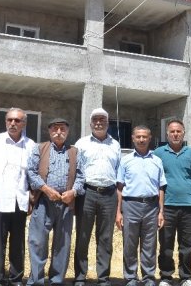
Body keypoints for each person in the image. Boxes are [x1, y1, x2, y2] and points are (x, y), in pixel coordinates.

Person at [0, 108, 35, 286]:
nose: (13, 123)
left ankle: (16, 279)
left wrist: (32, 199)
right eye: (10, 120)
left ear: (24, 123)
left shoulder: (31, 145)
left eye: (17, 120)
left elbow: (33, 175)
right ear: (5, 122)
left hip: (20, 201)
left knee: (18, 244)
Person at [26, 118, 84, 286]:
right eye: (55, 129)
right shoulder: (39, 148)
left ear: (68, 132)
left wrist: (73, 192)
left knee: (62, 244)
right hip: (44, 201)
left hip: (66, 203)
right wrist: (46, 189)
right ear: (49, 131)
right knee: (37, 242)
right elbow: (31, 172)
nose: (59, 132)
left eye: (62, 129)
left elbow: (81, 176)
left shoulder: (75, 151)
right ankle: (36, 281)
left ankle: (56, 281)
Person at [73, 108, 122, 286]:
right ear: (91, 122)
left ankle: (103, 278)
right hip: (87, 193)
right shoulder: (81, 143)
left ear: (108, 123)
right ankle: (80, 276)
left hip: (109, 194)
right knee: (83, 236)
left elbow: (118, 174)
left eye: (102, 119)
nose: (99, 122)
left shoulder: (115, 145)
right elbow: (75, 170)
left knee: (105, 238)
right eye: (95, 119)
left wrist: (119, 205)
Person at [152, 119, 191, 286]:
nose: (175, 134)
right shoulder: (158, 153)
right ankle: (166, 277)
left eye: (178, 131)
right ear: (167, 134)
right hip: (166, 206)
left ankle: (186, 277)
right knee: (166, 244)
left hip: (188, 206)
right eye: (172, 131)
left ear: (183, 133)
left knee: (186, 245)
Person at [115, 126, 166, 286]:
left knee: (149, 245)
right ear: (133, 138)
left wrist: (161, 212)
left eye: (145, 137)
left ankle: (149, 277)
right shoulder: (125, 160)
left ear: (150, 138)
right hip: (130, 205)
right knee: (129, 244)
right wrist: (118, 212)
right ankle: (130, 277)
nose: (142, 139)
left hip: (151, 206)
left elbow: (161, 187)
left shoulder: (157, 161)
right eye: (138, 137)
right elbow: (119, 187)